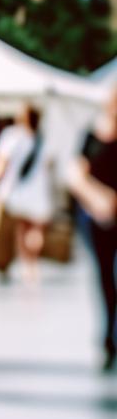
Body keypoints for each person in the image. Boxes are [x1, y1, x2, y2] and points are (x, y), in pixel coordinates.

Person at [69, 86, 117, 371]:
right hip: (97, 218)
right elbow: (76, 175)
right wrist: (99, 199)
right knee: (104, 279)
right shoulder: (92, 135)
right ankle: (108, 337)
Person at [0, 105, 53, 287]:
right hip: (38, 192)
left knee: (21, 230)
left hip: (16, 191)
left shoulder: (12, 136)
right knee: (35, 231)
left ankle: (26, 264)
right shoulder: (43, 138)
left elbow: (0, 163)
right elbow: (49, 164)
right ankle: (32, 264)